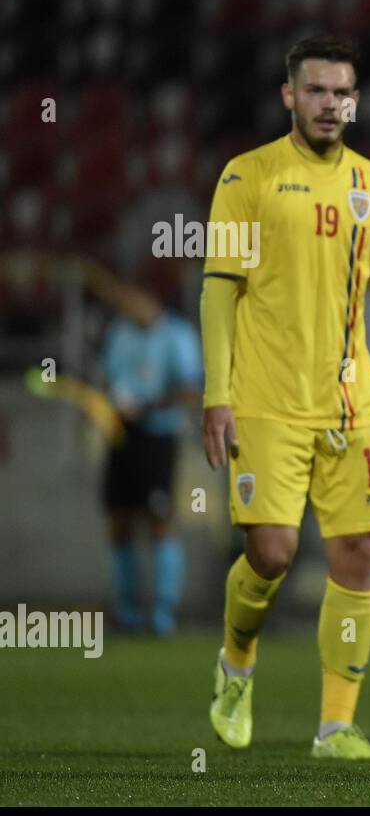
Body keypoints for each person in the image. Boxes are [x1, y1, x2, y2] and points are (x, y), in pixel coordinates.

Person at [200, 34, 370, 760]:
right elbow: (218, 291)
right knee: (271, 554)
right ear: (289, 96)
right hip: (265, 400)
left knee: (357, 554)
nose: (331, 104)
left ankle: (336, 727)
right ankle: (237, 661)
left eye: (342, 92)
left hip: (352, 406)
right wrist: (216, 393)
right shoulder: (248, 176)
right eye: (318, 91)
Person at [91, 265, 201, 636]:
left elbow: (189, 390)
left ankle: (164, 613)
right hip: (121, 436)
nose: (125, 306)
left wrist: (147, 406)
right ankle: (127, 610)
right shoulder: (120, 333)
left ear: (150, 299)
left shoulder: (177, 336)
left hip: (158, 437)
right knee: (120, 520)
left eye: (130, 299)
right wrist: (110, 402)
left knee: (160, 520)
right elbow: (107, 378)